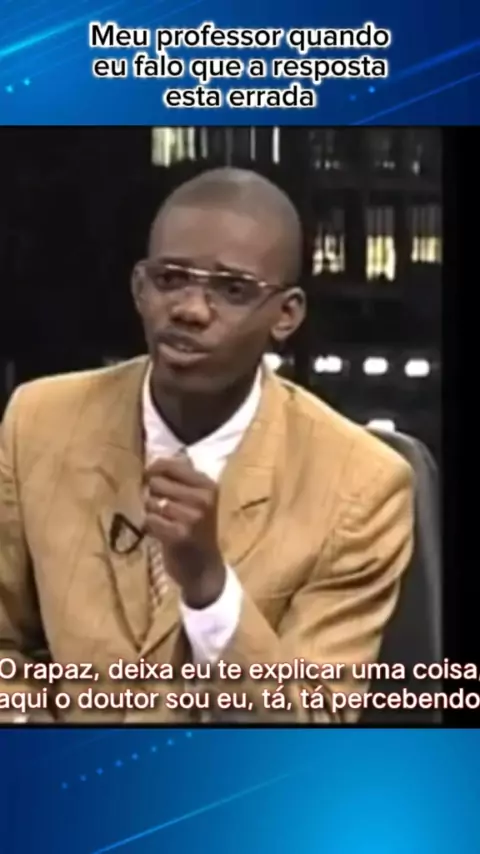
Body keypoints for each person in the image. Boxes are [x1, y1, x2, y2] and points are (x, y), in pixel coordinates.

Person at [0, 167, 414, 724]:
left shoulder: (363, 485)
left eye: (233, 290)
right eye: (171, 279)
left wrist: (208, 587)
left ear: (286, 314)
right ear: (139, 288)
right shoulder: (38, 421)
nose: (190, 309)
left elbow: (313, 724)